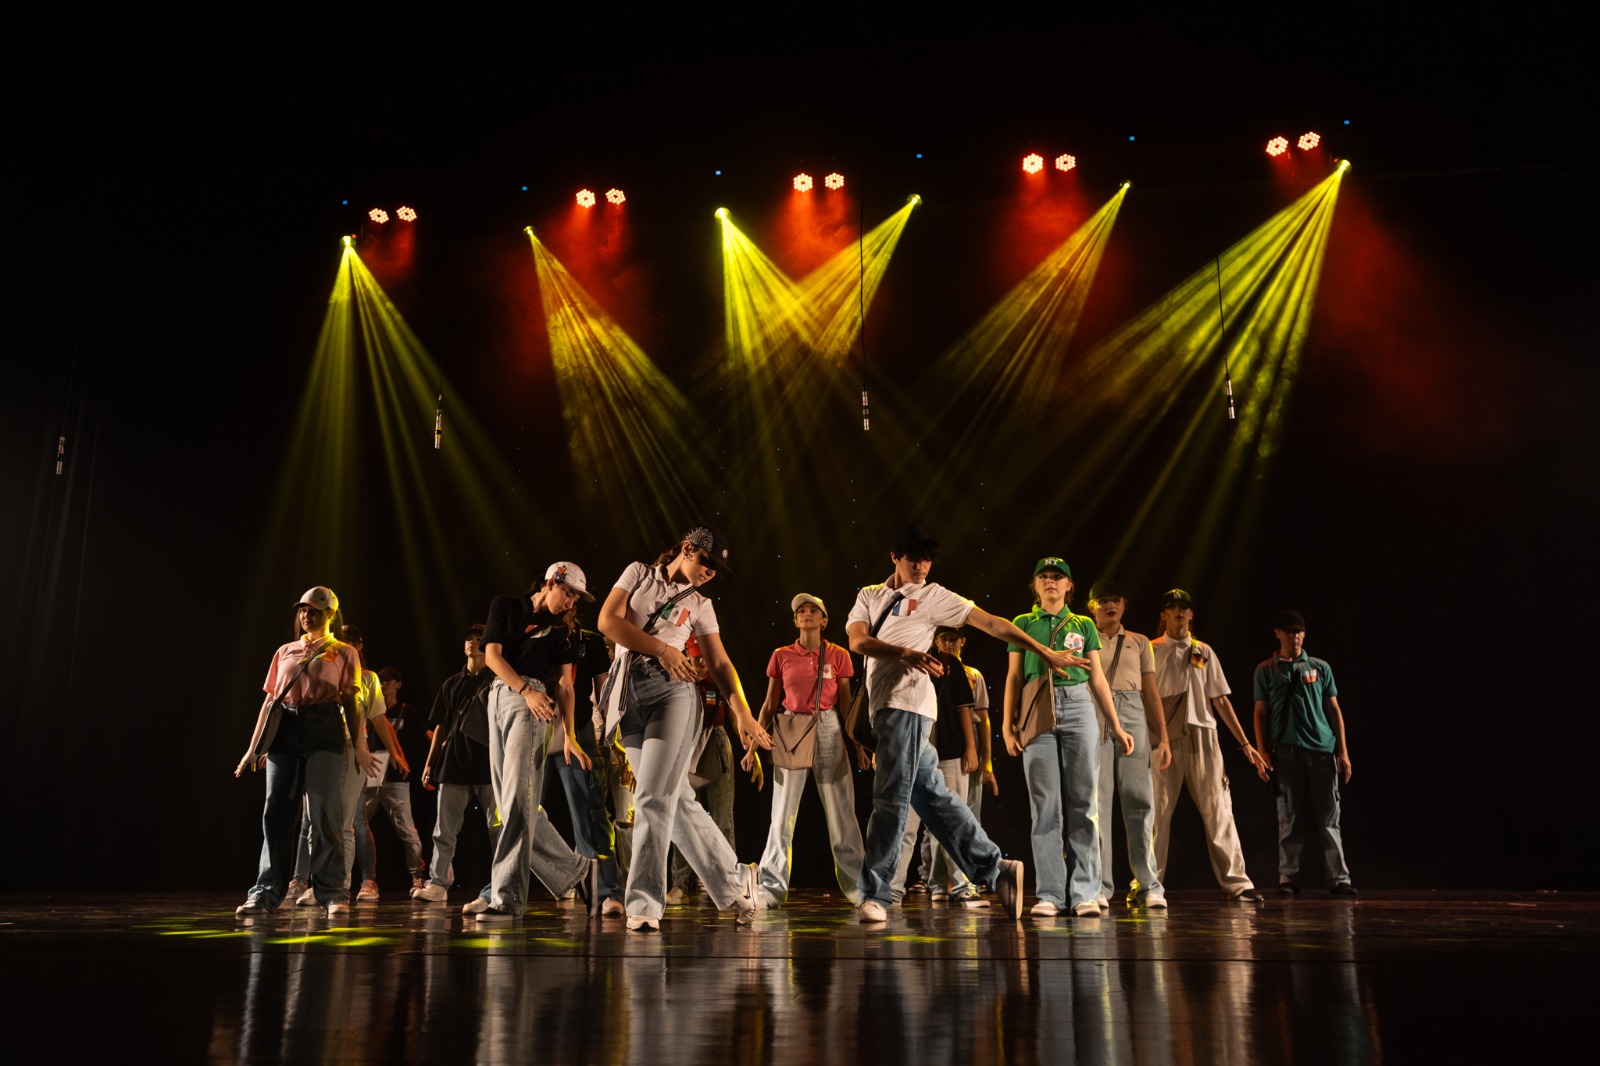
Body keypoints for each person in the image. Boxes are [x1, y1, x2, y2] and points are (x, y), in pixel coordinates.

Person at [847, 523, 1080, 923]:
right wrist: (903, 651)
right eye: (913, 556)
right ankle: (995, 869)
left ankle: (877, 892)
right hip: (884, 708)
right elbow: (858, 641)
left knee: (889, 798)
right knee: (933, 798)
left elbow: (992, 623)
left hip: (909, 708)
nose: (921, 564)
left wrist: (1045, 651)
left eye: (927, 557)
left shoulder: (935, 596)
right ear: (894, 558)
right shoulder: (870, 595)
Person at [596, 525, 772, 932]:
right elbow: (608, 621)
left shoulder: (701, 605)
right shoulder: (638, 574)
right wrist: (663, 647)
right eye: (707, 562)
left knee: (654, 798)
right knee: (674, 800)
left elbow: (721, 663)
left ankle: (643, 902)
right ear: (689, 549)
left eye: (716, 570)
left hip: (673, 693)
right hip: (628, 693)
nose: (710, 572)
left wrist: (743, 713)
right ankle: (735, 878)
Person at [234, 586, 380, 919]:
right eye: (302, 609)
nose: (306, 615)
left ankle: (331, 893)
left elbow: (352, 701)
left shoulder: (343, 651)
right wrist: (253, 749)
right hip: (285, 728)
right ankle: (266, 892)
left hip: (324, 727)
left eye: (314, 610)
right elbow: (270, 702)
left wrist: (358, 744)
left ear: (330, 614)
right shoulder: (284, 650)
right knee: (276, 813)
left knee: (325, 814)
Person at [1002, 558, 1135, 918]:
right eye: (1043, 577)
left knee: (1084, 803)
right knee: (1045, 806)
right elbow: (1014, 677)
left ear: (1069, 585)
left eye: (1057, 577)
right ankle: (1050, 893)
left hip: (1077, 706)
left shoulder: (1083, 624)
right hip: (1037, 706)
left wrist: (1118, 726)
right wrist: (1006, 724)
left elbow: (1097, 678)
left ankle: (1085, 892)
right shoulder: (1023, 623)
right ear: (1034, 585)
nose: (1050, 582)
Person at [469, 563, 598, 922]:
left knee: (517, 802)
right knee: (512, 805)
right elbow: (492, 656)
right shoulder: (506, 606)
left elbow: (566, 687)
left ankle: (507, 898)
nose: (570, 602)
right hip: (501, 695)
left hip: (535, 705)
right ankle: (578, 871)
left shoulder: (564, 633)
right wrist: (521, 689)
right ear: (550, 581)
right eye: (568, 592)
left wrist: (570, 736)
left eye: (575, 598)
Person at [1149, 589, 1267, 902]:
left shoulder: (1204, 651)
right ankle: (1149, 884)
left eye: (1183, 609)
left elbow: (1221, 700)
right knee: (1156, 812)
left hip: (1203, 735)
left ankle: (1237, 883)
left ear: (1191, 615)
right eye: (1172, 609)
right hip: (1163, 738)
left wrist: (1245, 744)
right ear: (1163, 615)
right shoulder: (1149, 650)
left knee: (1218, 808)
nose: (1178, 614)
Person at [751, 593, 864, 908]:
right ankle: (771, 889)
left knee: (842, 812)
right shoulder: (781, 654)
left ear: (824, 619)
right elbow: (770, 703)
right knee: (782, 813)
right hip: (791, 728)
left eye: (813, 609)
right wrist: (753, 742)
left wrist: (856, 742)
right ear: (795, 619)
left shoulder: (838, 654)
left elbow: (845, 703)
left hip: (828, 726)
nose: (807, 613)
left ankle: (859, 888)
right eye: (801, 610)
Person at [1251, 610, 1356, 896]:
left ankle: (1339, 878)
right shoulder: (1266, 670)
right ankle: (1288, 877)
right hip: (1285, 751)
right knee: (1289, 815)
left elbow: (1334, 709)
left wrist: (1342, 751)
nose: (1294, 636)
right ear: (1278, 633)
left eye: (1298, 632)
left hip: (1321, 749)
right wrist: (1262, 752)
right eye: (1288, 631)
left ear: (1304, 634)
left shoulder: (1320, 667)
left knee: (1329, 816)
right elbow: (1260, 712)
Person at [1087, 580, 1171, 910]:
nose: (1110, 605)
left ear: (1124, 605)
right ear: (1091, 606)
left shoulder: (1139, 642)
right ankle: (1099, 885)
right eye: (1103, 600)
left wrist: (1162, 736)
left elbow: (1151, 692)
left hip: (1132, 709)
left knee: (1140, 799)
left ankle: (1148, 884)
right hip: (1093, 711)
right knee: (1097, 802)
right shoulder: (1083, 639)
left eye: (1116, 600)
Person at [539, 606, 626, 918]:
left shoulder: (588, 641)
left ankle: (607, 891)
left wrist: (614, 737)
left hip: (579, 734)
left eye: (572, 599)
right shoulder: (534, 636)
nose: (565, 605)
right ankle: (501, 887)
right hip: (536, 730)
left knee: (590, 812)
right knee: (516, 812)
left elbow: (604, 693)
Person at [891, 626, 985, 906]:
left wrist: (970, 747)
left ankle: (961, 885)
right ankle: (893, 887)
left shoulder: (950, 664)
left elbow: (963, 707)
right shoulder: (901, 660)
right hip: (910, 753)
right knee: (904, 825)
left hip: (949, 750)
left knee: (955, 820)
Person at [413, 625, 499, 902]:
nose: (473, 643)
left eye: (478, 640)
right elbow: (441, 725)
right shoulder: (451, 684)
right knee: (444, 829)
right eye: (469, 639)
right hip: (454, 764)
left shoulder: (498, 681)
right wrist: (430, 763)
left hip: (489, 765)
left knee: (498, 829)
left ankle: (501, 883)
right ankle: (438, 883)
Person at [358, 666, 429, 898]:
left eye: (389, 680)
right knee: (356, 827)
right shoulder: (368, 710)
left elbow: (425, 735)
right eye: (381, 680)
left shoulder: (407, 712)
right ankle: (362, 879)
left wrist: (441, 745)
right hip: (369, 776)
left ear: (398, 684)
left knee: (407, 830)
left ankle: (417, 876)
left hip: (396, 779)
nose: (384, 684)